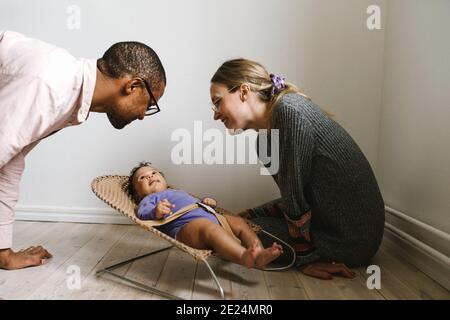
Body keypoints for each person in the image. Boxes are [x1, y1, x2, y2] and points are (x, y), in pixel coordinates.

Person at [0, 31, 166, 270]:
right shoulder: (51, 87)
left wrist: (4, 254)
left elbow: (9, 164)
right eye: (149, 105)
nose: (142, 116)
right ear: (133, 85)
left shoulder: (67, 92)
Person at [209, 58, 385, 280]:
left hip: (352, 240)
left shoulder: (290, 112)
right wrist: (251, 214)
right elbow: (295, 199)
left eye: (217, 102)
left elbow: (294, 202)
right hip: (325, 224)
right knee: (236, 222)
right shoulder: (263, 143)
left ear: (244, 92)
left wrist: (304, 259)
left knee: (228, 233)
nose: (215, 114)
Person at [128, 162, 283, 269]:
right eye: (142, 177)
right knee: (209, 229)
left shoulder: (176, 191)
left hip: (212, 217)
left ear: (164, 180)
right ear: (138, 195)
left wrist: (207, 202)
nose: (150, 176)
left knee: (239, 222)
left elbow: (196, 203)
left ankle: (260, 254)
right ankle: (243, 256)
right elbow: (141, 214)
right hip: (185, 229)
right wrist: (155, 211)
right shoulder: (147, 200)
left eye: (153, 172)